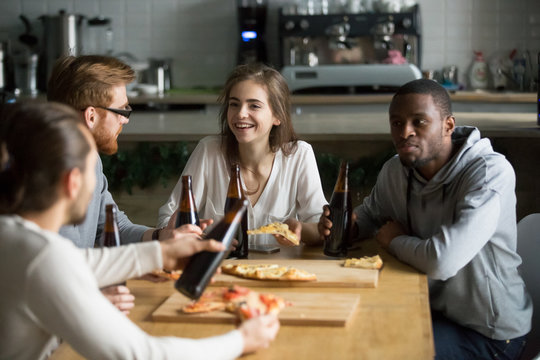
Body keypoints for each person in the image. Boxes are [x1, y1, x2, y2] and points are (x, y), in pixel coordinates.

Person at [0, 102, 279, 360]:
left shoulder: (12, 236)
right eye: (91, 172)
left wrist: (160, 253)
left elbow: (79, 265)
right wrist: (240, 340)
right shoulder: (44, 259)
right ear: (73, 182)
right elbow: (143, 355)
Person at [317, 79, 532, 359]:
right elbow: (371, 216)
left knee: (384, 353)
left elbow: (442, 261)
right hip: (430, 310)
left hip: (491, 334)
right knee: (348, 336)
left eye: (419, 122)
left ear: (448, 125)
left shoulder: (490, 173)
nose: (405, 132)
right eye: (396, 123)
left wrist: (395, 241)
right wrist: (345, 227)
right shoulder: (395, 170)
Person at [47, 55, 188, 314]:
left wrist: (159, 238)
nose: (125, 120)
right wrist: (96, 291)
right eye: (122, 111)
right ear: (91, 116)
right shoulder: (46, 177)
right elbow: (53, 265)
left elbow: (112, 227)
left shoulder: (91, 162)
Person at [158, 63, 327, 246]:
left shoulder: (299, 155)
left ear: (278, 116)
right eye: (234, 104)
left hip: (278, 271)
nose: (240, 114)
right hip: (219, 269)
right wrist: (202, 240)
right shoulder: (209, 151)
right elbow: (169, 219)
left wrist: (300, 229)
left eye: (254, 106)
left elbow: (321, 226)